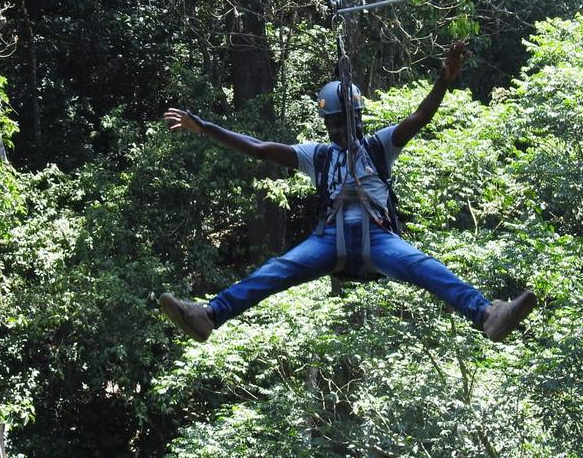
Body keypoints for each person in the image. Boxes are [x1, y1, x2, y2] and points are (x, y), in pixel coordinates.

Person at [159, 42, 536, 343]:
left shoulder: (380, 146)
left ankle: (488, 315)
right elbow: (259, 148)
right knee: (277, 271)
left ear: (358, 118)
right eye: (332, 125)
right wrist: (205, 127)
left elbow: (419, 118)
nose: (338, 132)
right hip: (330, 239)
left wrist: (444, 79)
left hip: (377, 238)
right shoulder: (318, 156)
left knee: (427, 268)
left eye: (344, 123)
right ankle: (208, 316)